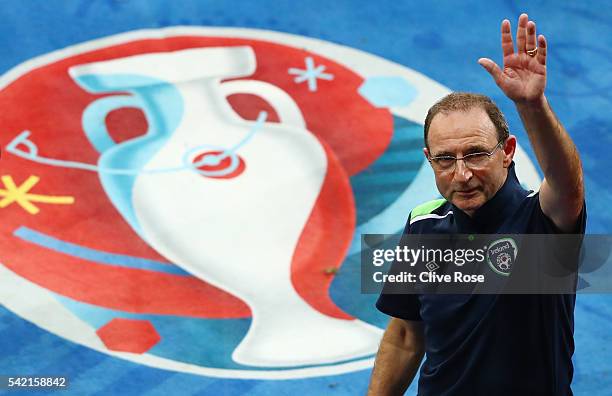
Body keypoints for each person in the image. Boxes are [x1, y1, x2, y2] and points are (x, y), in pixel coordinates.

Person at [368, 13, 586, 396]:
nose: (462, 174)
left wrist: (532, 105)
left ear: (508, 152)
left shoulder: (541, 221)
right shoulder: (423, 228)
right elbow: (404, 335)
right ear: (429, 159)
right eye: (445, 159)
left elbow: (569, 185)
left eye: (476, 154)